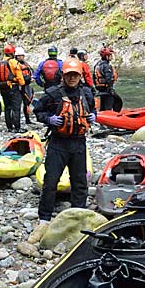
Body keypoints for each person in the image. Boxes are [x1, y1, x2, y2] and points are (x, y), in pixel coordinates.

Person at [33, 57, 96, 224]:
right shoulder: (52, 94)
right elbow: (38, 112)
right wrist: (49, 119)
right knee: (51, 181)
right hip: (58, 143)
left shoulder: (87, 93)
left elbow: (93, 108)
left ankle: (78, 214)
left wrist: (93, 116)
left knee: (80, 182)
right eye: (69, 75)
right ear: (63, 75)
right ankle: (44, 218)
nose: (72, 78)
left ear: (80, 76)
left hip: (79, 143)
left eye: (75, 75)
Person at [0, 44, 26, 132]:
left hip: (2, 87)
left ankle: (9, 127)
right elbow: (20, 78)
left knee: (7, 107)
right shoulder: (13, 62)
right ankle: (17, 127)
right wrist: (22, 84)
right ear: (12, 53)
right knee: (16, 108)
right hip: (13, 88)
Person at [94, 46, 117, 111]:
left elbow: (94, 77)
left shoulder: (98, 64)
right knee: (108, 106)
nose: (112, 57)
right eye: (110, 55)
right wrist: (110, 89)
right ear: (106, 56)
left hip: (101, 90)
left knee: (103, 106)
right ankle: (108, 117)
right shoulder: (107, 66)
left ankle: (101, 114)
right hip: (107, 90)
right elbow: (109, 79)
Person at [15, 47, 35, 125]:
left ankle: (27, 119)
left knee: (27, 102)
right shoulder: (15, 65)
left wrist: (31, 78)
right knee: (18, 104)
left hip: (26, 85)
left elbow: (31, 72)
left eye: (22, 55)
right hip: (19, 86)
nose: (21, 57)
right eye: (19, 56)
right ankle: (17, 121)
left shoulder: (26, 64)